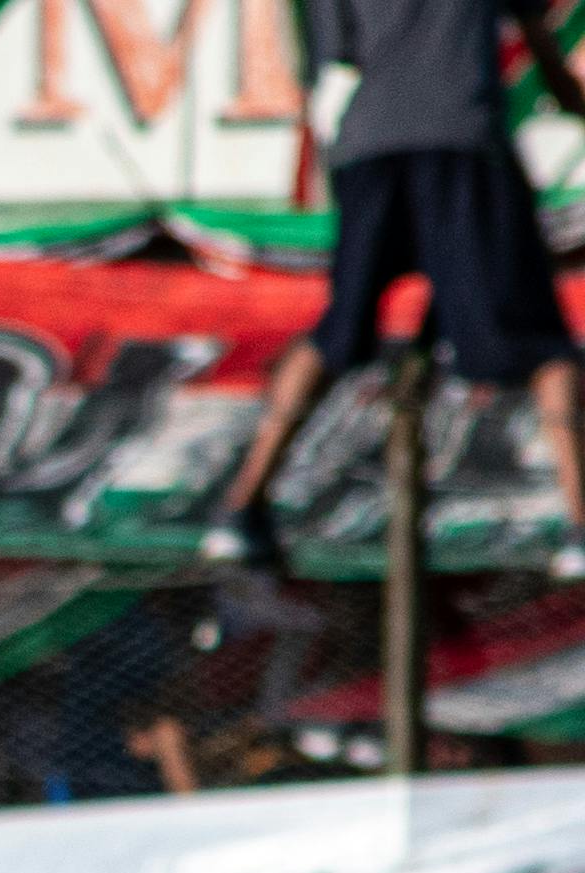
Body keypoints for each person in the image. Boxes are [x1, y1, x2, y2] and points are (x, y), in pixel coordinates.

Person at [204, 0, 585, 577]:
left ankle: (239, 509)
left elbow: (333, 65)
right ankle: (581, 523)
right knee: (538, 341)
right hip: (463, 145)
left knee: (339, 327)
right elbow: (540, 45)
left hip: (369, 149)